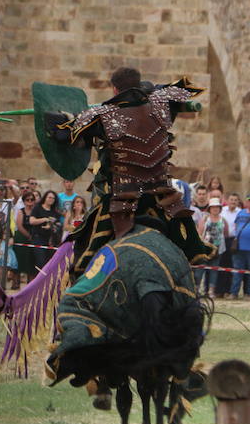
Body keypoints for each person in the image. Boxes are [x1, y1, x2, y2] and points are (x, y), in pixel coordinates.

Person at [44, 67, 214, 274]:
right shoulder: (163, 103)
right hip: (163, 198)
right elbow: (183, 88)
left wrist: (54, 117)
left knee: (84, 250)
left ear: (114, 89)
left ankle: (83, 290)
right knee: (184, 242)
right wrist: (151, 90)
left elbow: (64, 134)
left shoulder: (101, 115)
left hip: (123, 198)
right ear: (139, 84)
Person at [196, 197, 229, 297]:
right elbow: (199, 233)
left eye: (217, 207)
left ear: (220, 209)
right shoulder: (205, 219)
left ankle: (211, 291)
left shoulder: (223, 220)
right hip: (205, 249)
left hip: (218, 249)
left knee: (214, 271)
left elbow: (226, 234)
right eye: (213, 207)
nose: (215, 209)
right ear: (209, 209)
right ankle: (197, 289)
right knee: (200, 270)